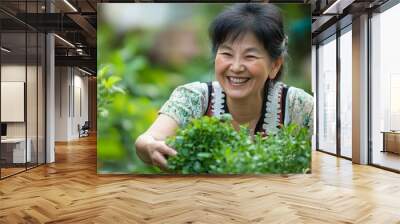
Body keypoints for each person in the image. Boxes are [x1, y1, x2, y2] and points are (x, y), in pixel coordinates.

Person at [135, 3, 313, 170]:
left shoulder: (300, 106)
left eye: (250, 56)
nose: (235, 67)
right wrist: (149, 146)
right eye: (227, 53)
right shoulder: (193, 97)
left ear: (274, 65)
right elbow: (149, 139)